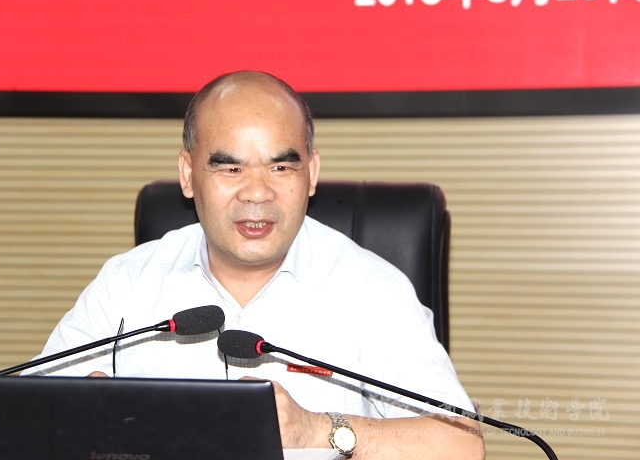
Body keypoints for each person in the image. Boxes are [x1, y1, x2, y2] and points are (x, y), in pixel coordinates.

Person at [27, 71, 485, 459]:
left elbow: (461, 444)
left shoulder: (370, 289)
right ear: (188, 175)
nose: (257, 193)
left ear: (312, 174)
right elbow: (23, 418)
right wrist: (78, 419)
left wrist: (316, 429)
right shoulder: (127, 283)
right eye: (230, 169)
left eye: (281, 168)